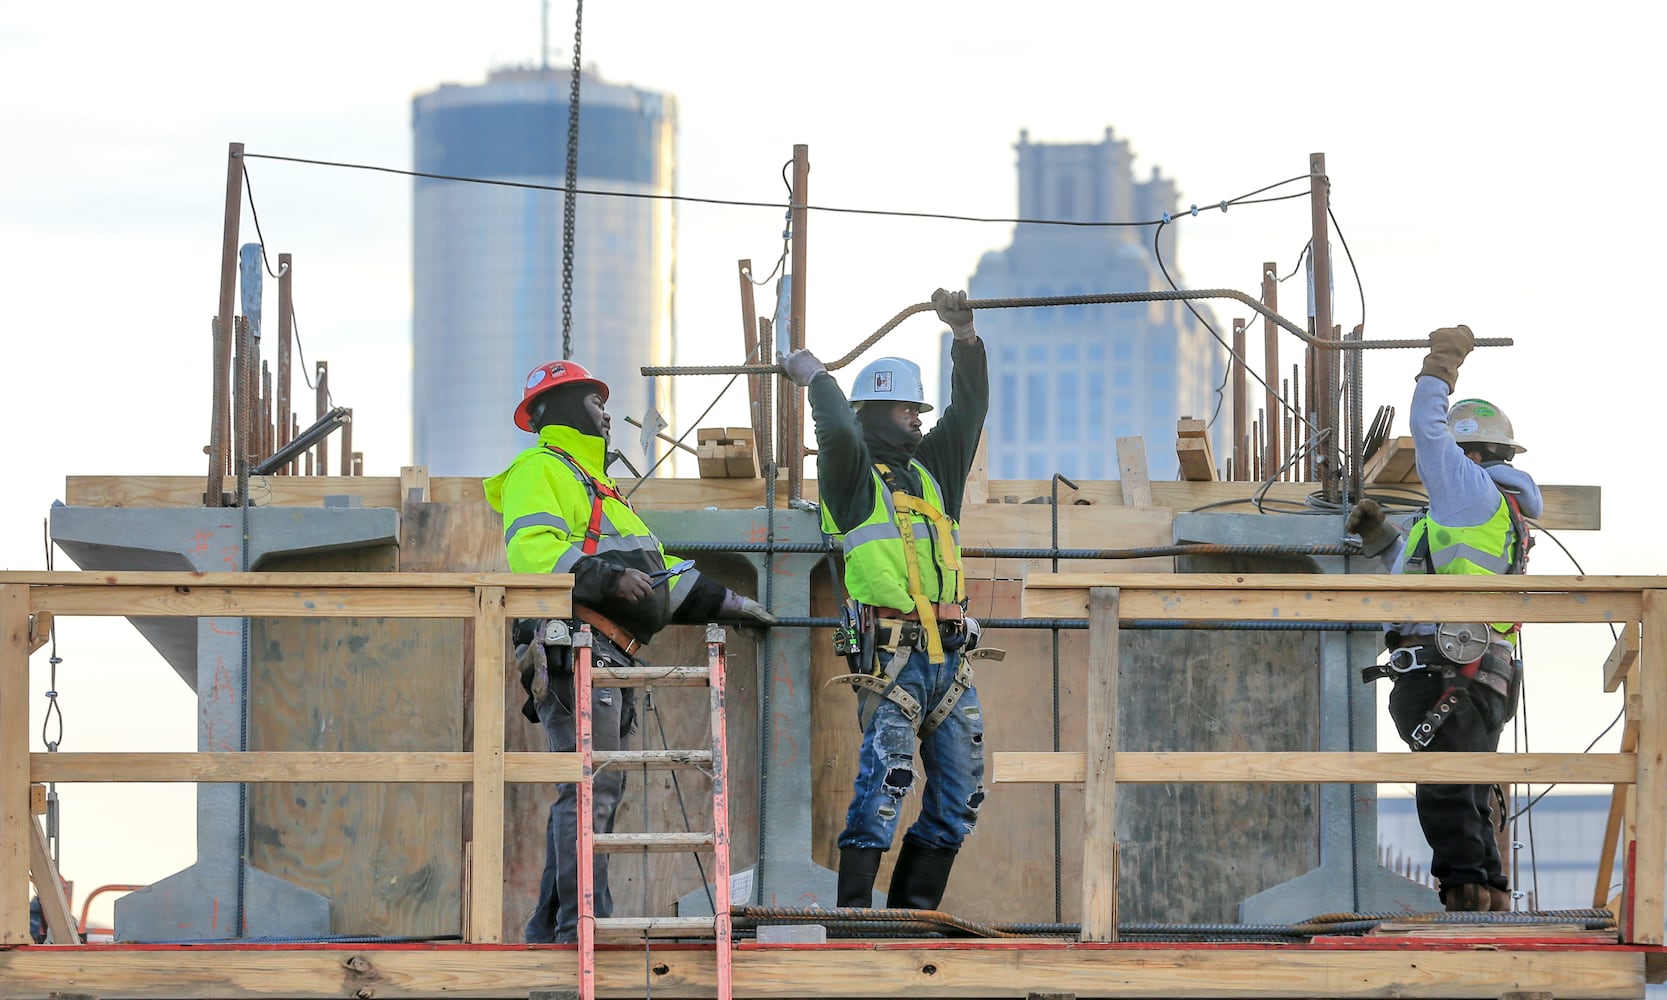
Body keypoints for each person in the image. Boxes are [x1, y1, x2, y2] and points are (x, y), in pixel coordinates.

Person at [484, 358, 777, 944]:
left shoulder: (602, 490)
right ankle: (583, 927)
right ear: (557, 409)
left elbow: (657, 570)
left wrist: (726, 601)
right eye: (593, 400)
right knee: (593, 787)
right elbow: (534, 554)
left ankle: (553, 927)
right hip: (575, 647)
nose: (605, 411)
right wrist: (603, 579)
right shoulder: (539, 469)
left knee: (590, 787)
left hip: (606, 654)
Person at [780, 288, 989, 912]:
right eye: (906, 409)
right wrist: (814, 377)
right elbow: (838, 427)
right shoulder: (849, 478)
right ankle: (855, 916)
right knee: (885, 784)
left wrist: (966, 340)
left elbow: (968, 411)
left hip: (950, 657)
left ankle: (911, 916)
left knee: (962, 796)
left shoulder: (933, 476)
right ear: (875, 412)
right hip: (890, 658)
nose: (919, 420)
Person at [1350, 325, 1541, 913]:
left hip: (1447, 673)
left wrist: (1443, 363)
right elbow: (1425, 576)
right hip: (1478, 673)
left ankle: (1467, 895)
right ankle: (1488, 891)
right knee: (1465, 789)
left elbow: (1428, 430)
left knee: (1445, 788)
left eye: (1459, 454)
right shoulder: (1482, 512)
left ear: (1473, 454)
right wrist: (1384, 540)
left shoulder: (1468, 488)